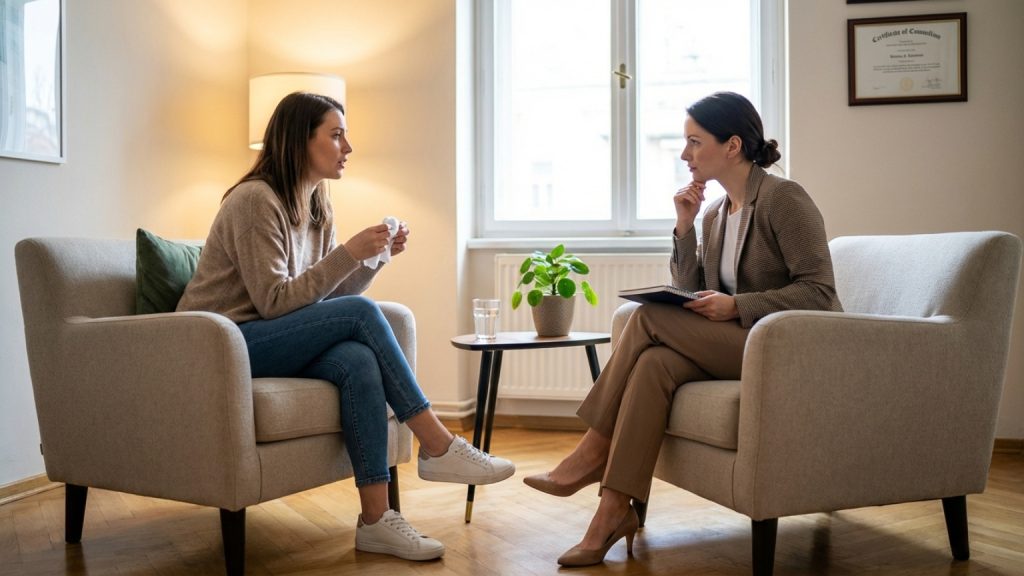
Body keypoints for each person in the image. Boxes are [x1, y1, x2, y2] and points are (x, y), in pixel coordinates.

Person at [177, 91, 515, 562]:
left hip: (270, 337)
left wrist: (373, 259)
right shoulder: (254, 201)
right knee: (363, 317)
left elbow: (327, 303)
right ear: (300, 141)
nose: (348, 148)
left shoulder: (318, 203)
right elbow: (274, 302)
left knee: (357, 359)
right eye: (336, 135)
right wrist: (348, 254)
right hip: (223, 342)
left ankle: (376, 521)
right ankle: (438, 444)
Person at [523, 91, 842, 567]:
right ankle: (611, 514)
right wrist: (685, 225)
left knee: (646, 316)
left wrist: (738, 305)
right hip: (737, 345)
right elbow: (689, 292)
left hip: (784, 349)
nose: (684, 154)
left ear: (732, 145)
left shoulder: (783, 199)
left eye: (695, 142)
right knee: (654, 362)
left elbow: (820, 294)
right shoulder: (715, 213)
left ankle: (592, 451)